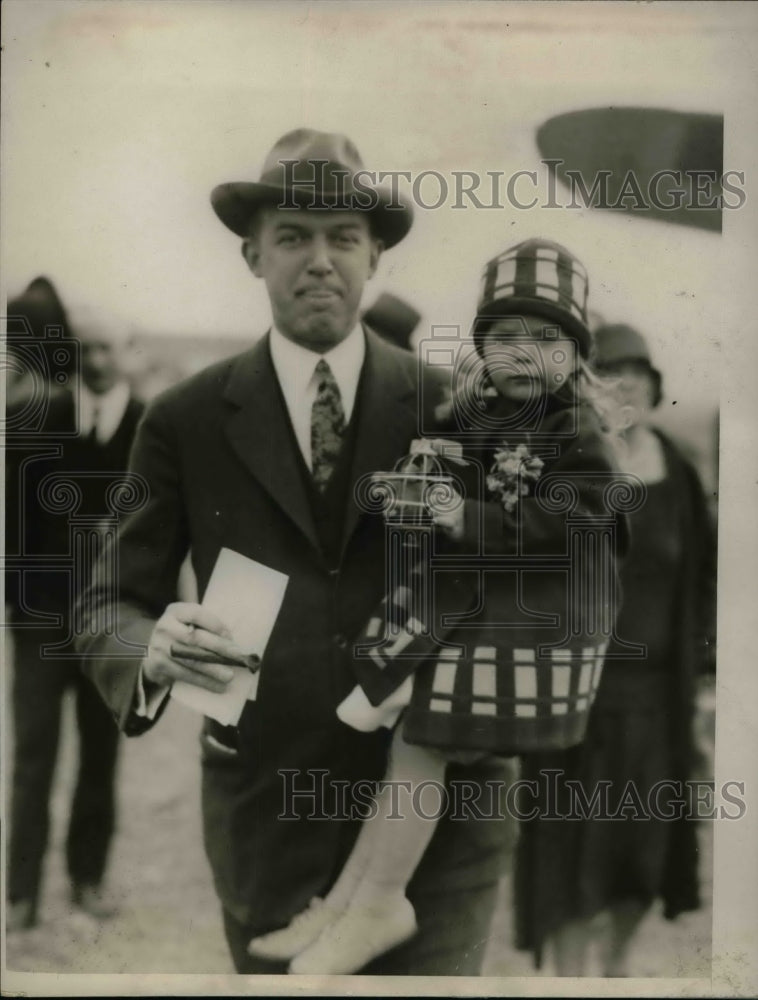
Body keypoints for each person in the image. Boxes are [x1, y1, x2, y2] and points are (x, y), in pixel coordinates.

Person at [76, 128, 512, 976]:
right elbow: (106, 605)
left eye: (343, 237)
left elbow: (533, 568)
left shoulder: (456, 407)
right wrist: (150, 648)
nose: (320, 260)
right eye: (292, 237)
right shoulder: (182, 418)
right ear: (251, 255)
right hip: (268, 819)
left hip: (440, 826)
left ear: (375, 255)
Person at [248, 238, 629, 974]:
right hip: (482, 603)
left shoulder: (574, 430)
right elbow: (444, 468)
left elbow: (577, 520)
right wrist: (427, 478)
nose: (523, 353)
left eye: (545, 338)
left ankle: (381, 899)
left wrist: (468, 518)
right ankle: (348, 903)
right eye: (506, 336)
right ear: (483, 344)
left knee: (422, 738)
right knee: (409, 739)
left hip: (539, 622)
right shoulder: (477, 412)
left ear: (575, 353)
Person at [513, 323, 717, 976]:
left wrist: (707, 682)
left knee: (644, 852)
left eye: (639, 375)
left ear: (656, 389)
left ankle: (617, 970)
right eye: (610, 376)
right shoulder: (566, 466)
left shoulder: (679, 473)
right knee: (570, 859)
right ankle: (571, 983)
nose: (625, 388)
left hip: (658, 703)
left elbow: (705, 582)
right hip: (576, 705)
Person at [5, 292, 144, 931]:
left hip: (111, 627)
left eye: (107, 346)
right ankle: (19, 895)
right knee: (34, 757)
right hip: (40, 625)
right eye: (84, 347)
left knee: (100, 757)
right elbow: (13, 525)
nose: (95, 359)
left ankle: (87, 880)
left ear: (130, 351)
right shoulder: (37, 418)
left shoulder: (153, 428)